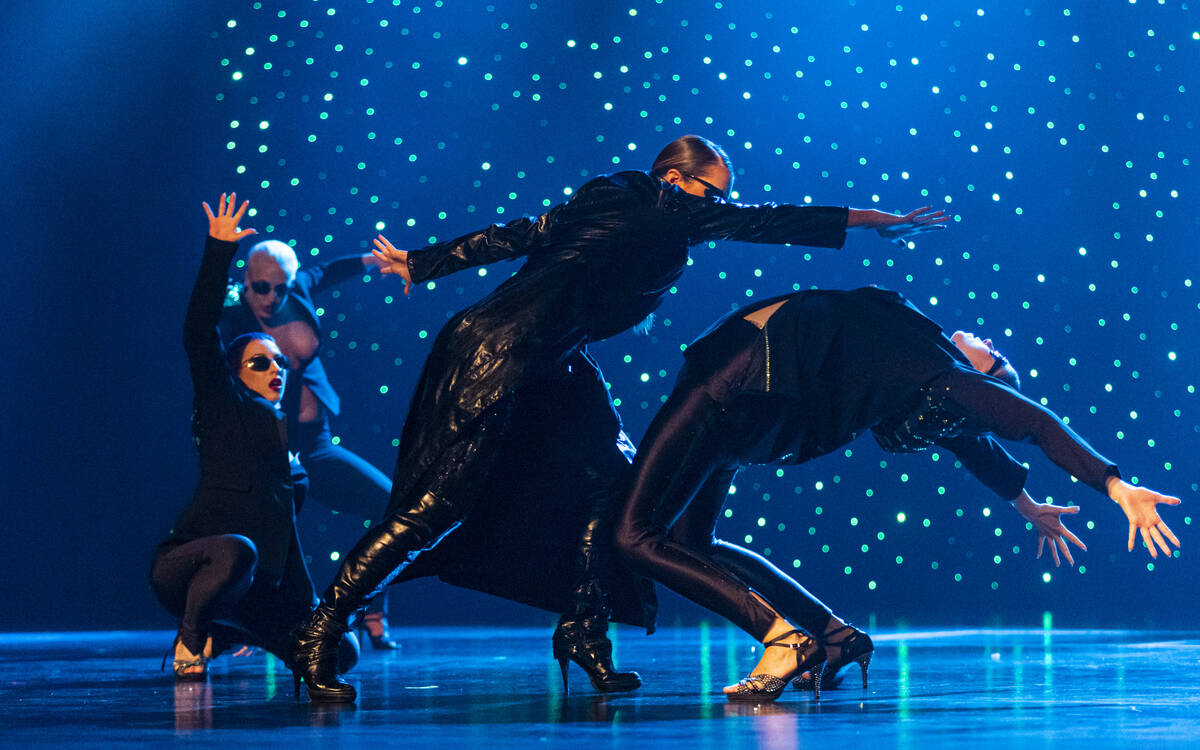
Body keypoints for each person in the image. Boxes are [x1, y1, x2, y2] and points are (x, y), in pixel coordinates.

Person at [287, 134, 947, 702]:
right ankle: (320, 631)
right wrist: (425, 262)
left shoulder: (671, 221)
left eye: (721, 196)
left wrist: (869, 220)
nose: (718, 208)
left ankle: (583, 629)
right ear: (671, 179)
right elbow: (533, 230)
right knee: (438, 505)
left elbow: (754, 218)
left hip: (556, 361)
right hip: (496, 350)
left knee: (614, 481)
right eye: (709, 193)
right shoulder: (627, 195)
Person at [613, 285, 1181, 702]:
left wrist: (1113, 483)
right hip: (755, 401)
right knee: (693, 541)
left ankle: (781, 639)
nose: (989, 342)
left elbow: (1034, 422)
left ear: (984, 377)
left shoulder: (947, 377)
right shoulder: (924, 381)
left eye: (996, 359)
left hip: (739, 386)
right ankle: (835, 637)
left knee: (633, 536)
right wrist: (1029, 508)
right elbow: (979, 452)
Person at [151, 194, 357, 680]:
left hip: (253, 590)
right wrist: (218, 250)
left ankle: (233, 631)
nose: (275, 369)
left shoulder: (288, 459)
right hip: (191, 568)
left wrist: (313, 617)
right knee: (238, 548)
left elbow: (286, 544)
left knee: (340, 651)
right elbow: (198, 330)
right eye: (260, 363)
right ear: (235, 373)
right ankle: (192, 636)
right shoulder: (221, 406)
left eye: (279, 364)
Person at [220, 238, 401, 649]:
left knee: (392, 507)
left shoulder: (295, 289)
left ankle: (371, 611)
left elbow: (328, 271)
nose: (272, 297)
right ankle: (239, 626)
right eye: (262, 287)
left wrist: (375, 259)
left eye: (280, 288)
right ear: (246, 280)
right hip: (266, 448)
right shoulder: (230, 314)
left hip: (316, 445)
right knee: (254, 537)